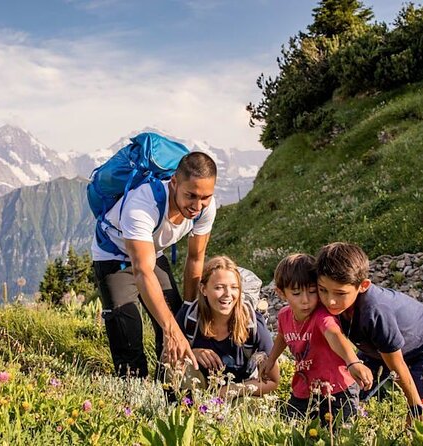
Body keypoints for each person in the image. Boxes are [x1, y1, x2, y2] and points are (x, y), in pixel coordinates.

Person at [92, 151, 217, 378]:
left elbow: (196, 258)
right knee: (127, 329)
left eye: (205, 197)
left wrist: (188, 311)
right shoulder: (142, 205)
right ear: (174, 183)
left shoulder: (206, 207)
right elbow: (142, 271)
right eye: (191, 195)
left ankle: (168, 389)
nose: (197, 205)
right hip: (114, 256)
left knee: (176, 320)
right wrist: (172, 330)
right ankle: (131, 390)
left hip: (152, 252)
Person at [315, 242, 423, 418]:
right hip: (378, 351)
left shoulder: (375, 312)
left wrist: (415, 407)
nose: (330, 301)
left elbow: (397, 365)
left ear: (363, 285)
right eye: (323, 290)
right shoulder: (333, 304)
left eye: (340, 293)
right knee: (346, 400)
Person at [260, 254, 373, 424]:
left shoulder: (321, 315)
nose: (306, 301)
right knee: (293, 429)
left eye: (313, 292)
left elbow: (333, 334)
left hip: (338, 389)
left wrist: (353, 362)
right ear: (281, 293)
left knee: (341, 433)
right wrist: (271, 360)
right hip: (304, 389)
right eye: (296, 293)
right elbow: (282, 336)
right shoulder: (284, 315)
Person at [176, 256, 280, 397]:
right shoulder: (189, 317)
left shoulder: (252, 322)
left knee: (252, 406)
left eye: (234, 287)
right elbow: (167, 360)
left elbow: (273, 381)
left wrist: (228, 392)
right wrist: (192, 354)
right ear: (203, 289)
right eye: (219, 287)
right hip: (196, 392)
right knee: (178, 368)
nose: (228, 294)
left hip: (237, 393)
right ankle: (186, 413)